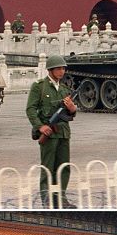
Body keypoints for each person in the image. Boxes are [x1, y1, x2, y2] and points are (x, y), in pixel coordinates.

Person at [25, 53, 77, 208]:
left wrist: (72, 109)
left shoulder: (64, 89)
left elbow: (70, 114)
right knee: (48, 167)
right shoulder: (39, 87)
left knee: (64, 166)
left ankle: (61, 197)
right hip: (48, 133)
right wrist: (40, 126)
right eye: (58, 68)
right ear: (50, 70)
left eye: (63, 68)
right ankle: (47, 199)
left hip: (63, 132)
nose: (62, 71)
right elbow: (30, 109)